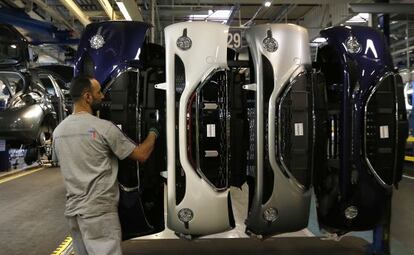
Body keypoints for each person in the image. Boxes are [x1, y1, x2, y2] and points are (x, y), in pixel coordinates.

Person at [52, 75, 159, 255]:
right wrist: (154, 132)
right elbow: (141, 155)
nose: (103, 96)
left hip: (74, 214)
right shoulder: (103, 128)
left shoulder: (58, 131)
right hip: (98, 213)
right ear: (87, 97)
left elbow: (63, 161)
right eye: (99, 92)